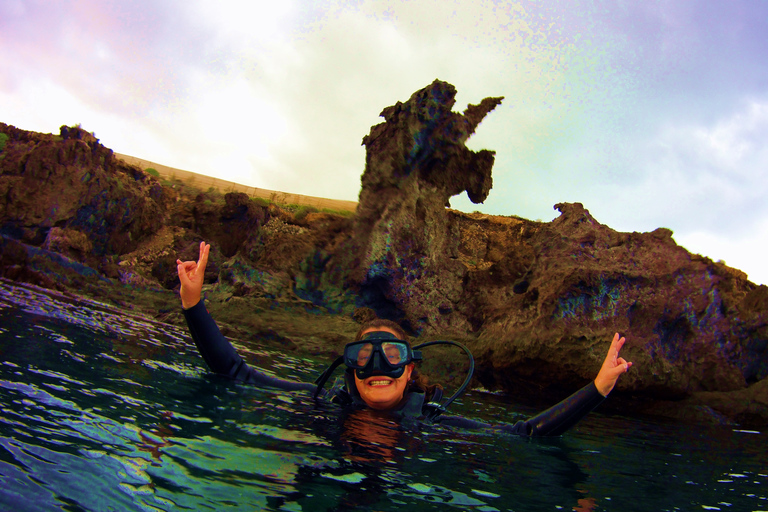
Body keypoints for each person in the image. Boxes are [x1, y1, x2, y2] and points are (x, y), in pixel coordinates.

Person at [177, 242, 633, 436]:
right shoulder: (326, 403)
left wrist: (598, 389)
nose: (377, 367)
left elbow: (523, 434)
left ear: (410, 367)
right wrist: (194, 303)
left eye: (390, 354)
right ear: (350, 367)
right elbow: (234, 371)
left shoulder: (431, 423)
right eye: (364, 355)